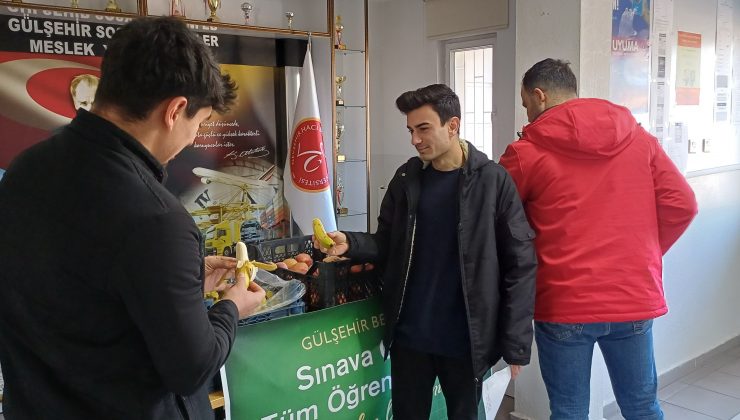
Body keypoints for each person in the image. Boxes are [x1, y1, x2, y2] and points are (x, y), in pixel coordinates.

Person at [0, 17, 265, 420]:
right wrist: (232, 307)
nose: (194, 138)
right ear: (176, 110)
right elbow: (191, 368)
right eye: (199, 123)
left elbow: (86, 295)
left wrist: (183, 282)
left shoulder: (24, 169)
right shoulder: (157, 219)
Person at [315, 84, 537, 419]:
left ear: (453, 125)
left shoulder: (493, 182)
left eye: (423, 129)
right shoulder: (407, 179)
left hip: (466, 341)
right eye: (410, 131)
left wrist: (516, 344)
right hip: (410, 338)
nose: (415, 140)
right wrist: (351, 242)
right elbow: (386, 242)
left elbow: (520, 264)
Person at [499, 58, 698, 420]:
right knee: (642, 407)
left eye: (525, 103)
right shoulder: (640, 140)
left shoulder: (525, 153)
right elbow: (682, 204)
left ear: (540, 96)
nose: (526, 113)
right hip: (632, 294)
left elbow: (497, 220)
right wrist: (645, 253)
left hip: (564, 300)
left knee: (570, 410)